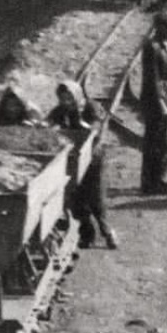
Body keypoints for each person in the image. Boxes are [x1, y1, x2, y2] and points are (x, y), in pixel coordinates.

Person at [48, 80, 117, 249]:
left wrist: (85, 127)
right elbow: (49, 123)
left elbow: (96, 127)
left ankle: (107, 231)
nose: (67, 102)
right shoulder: (60, 111)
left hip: (93, 159)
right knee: (76, 199)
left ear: (77, 95)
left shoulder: (90, 107)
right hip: (72, 161)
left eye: (70, 98)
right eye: (63, 99)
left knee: (96, 199)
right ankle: (87, 235)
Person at [140, 9, 167, 195]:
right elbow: (153, 79)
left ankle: (159, 178)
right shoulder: (152, 47)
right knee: (156, 143)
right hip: (157, 104)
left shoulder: (166, 45)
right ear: (159, 27)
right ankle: (151, 183)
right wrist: (162, 105)